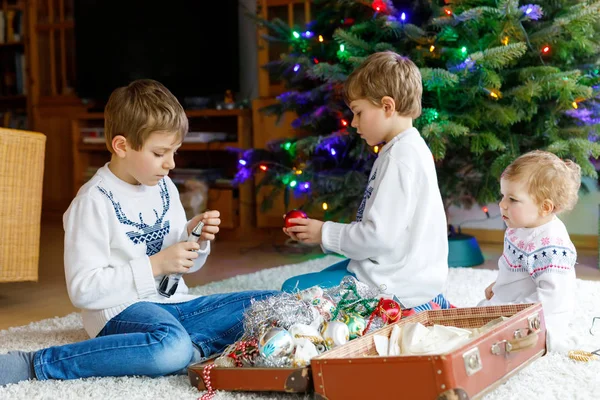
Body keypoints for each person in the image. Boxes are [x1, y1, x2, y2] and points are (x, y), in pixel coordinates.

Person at [0, 79, 276, 385]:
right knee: (170, 347)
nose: (170, 164)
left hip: (172, 307)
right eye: (160, 153)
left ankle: (191, 351)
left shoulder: (164, 187)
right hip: (118, 312)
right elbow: (83, 289)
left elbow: (176, 272)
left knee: (271, 304)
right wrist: (155, 265)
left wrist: (195, 240)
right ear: (122, 146)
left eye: (174, 152)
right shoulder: (93, 201)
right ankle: (37, 364)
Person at [282, 51, 451, 313]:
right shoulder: (407, 148)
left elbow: (377, 237)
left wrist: (322, 232)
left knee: (291, 293)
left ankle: (420, 307)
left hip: (395, 285)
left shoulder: (400, 156)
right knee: (305, 285)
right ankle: (425, 300)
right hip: (396, 274)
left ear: (387, 106)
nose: (353, 122)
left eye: (358, 112)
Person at [479, 150, 581, 351]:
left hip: (539, 315)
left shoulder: (551, 244)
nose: (502, 204)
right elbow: (519, 268)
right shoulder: (520, 226)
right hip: (517, 301)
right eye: (503, 196)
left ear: (544, 207)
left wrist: (515, 314)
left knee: (494, 337)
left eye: (513, 199)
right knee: (479, 315)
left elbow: (552, 296)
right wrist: (500, 285)